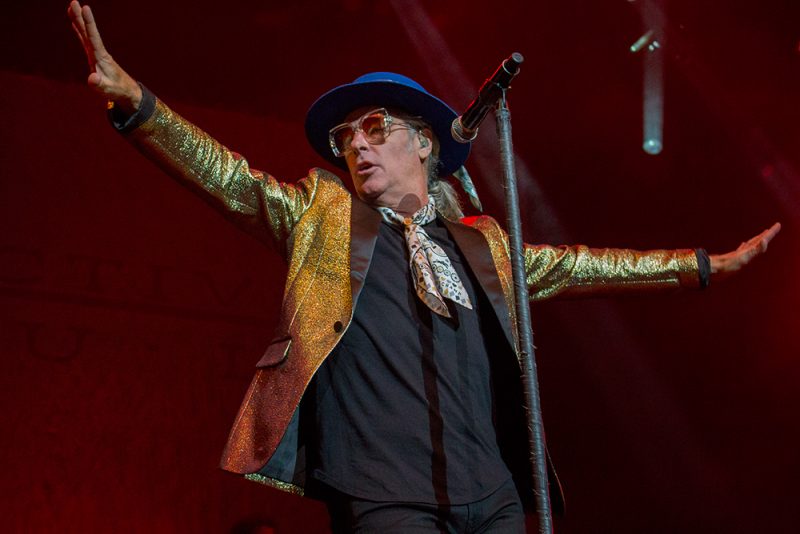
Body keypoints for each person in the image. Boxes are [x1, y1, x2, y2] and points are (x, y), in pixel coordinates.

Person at [68, 2, 780, 532]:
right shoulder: (323, 216)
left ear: (426, 143)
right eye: (346, 138)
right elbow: (228, 178)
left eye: (375, 129)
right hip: (384, 492)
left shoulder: (480, 244)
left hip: (492, 494)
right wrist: (140, 106)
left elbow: (582, 266)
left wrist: (700, 266)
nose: (356, 146)